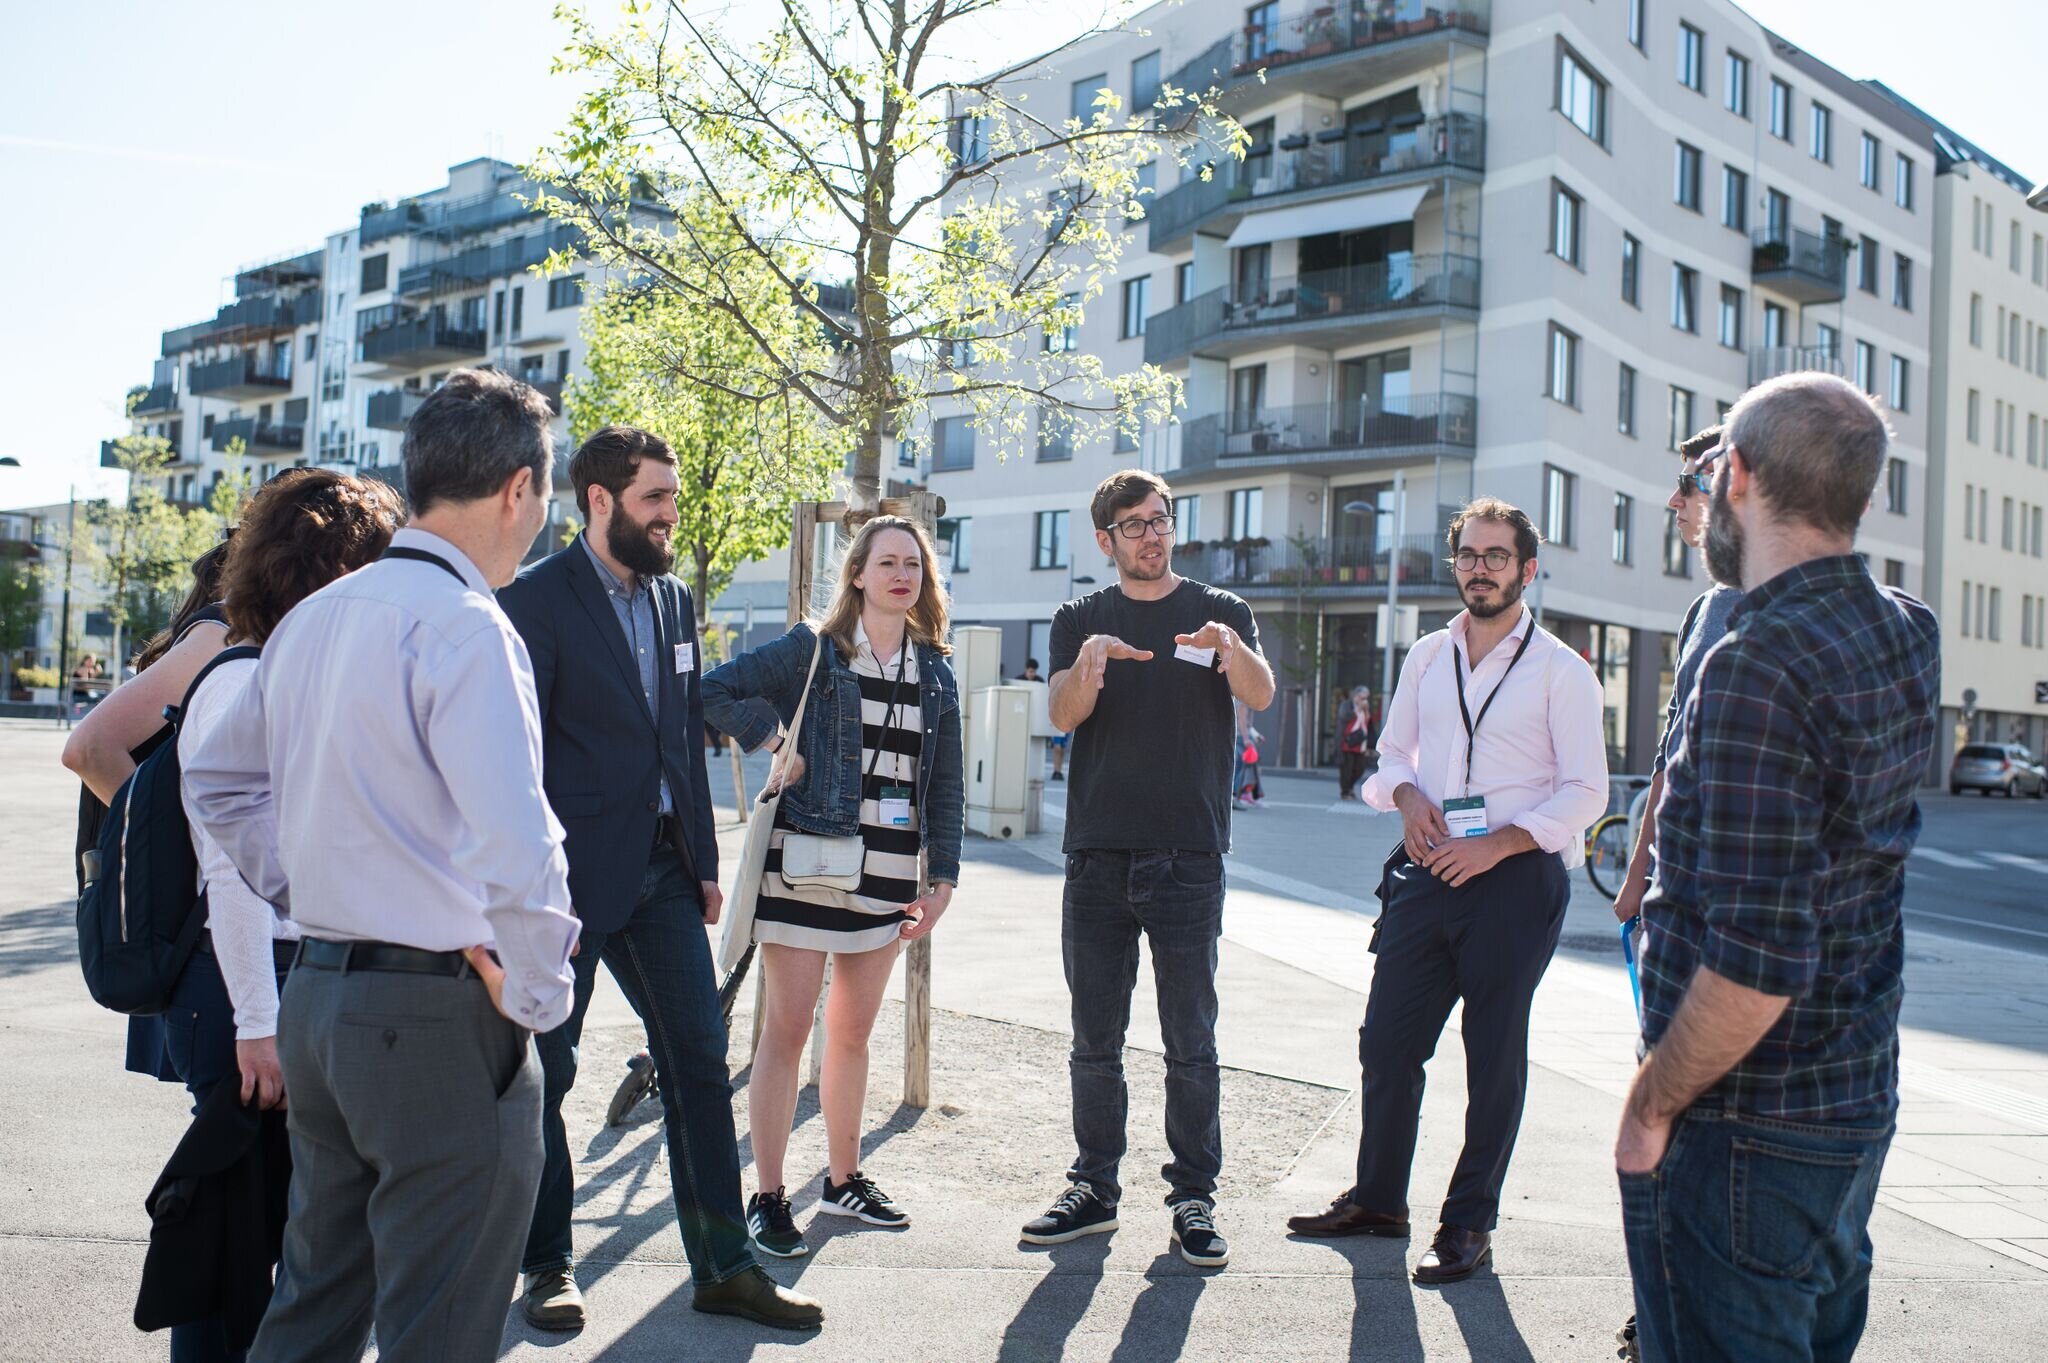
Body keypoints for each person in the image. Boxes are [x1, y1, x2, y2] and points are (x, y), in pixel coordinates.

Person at [183, 367, 582, 1363]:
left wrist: (306, 882)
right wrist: (537, 997)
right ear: (517, 491)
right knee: (436, 1329)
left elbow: (219, 783)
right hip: (434, 1014)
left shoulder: (316, 617)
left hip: (320, 993)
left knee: (313, 1307)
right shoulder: (468, 627)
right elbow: (518, 843)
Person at [1617, 373, 1939, 1361]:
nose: (1702, 490)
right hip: (1850, 1100)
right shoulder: (1904, 625)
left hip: (1744, 1125)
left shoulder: (1753, 658)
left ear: (1740, 477)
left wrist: (1649, 1102)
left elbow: (1758, 959)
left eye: (1709, 470)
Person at [498, 425, 819, 1333]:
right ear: (599, 501)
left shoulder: (677, 601)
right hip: (561, 884)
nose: (671, 515)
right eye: (655, 500)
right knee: (546, 1074)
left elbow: (681, 732)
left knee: (696, 1063)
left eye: (673, 498)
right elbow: (519, 751)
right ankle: (547, 1261)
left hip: (664, 874)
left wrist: (705, 864)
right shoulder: (536, 600)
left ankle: (724, 1264)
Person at [1288, 497, 1606, 1285]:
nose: (1480, 568)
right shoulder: (1428, 656)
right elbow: (1391, 756)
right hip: (1427, 868)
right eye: (1468, 554)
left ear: (1527, 570)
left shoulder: (1563, 670)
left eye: (1497, 556)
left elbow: (1586, 791)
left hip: (1515, 876)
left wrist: (1500, 841)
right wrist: (1404, 796)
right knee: (1387, 1040)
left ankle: (1468, 1221)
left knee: (1492, 1052)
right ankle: (1378, 1199)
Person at [160, 469, 403, 1362]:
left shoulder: (294, 675)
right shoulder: (243, 678)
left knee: (298, 1236)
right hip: (246, 994)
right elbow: (228, 875)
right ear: (330, 571)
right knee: (236, 1244)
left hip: (279, 985)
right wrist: (260, 1024)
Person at [1022, 469, 1274, 1269]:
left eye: (1160, 519)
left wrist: (1231, 652)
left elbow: (1262, 695)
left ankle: (1193, 1197)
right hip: (1095, 855)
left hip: (1189, 856)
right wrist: (1087, 669)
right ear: (1106, 540)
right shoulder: (1078, 618)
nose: (1150, 534)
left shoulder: (1221, 612)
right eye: (1133, 524)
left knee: (1189, 1040)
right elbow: (1061, 714)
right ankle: (1093, 1187)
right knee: (1095, 1040)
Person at [702, 515, 963, 1260]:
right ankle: (769, 1194)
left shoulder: (935, 670)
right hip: (806, 868)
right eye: (887, 562)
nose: (901, 574)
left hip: (885, 877)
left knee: (850, 1032)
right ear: (857, 574)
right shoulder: (813, 649)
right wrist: (774, 740)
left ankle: (844, 1179)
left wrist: (941, 878)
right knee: (784, 1033)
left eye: (913, 563)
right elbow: (715, 689)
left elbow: (944, 783)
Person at [1607, 423, 1741, 1360]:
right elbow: (1669, 764)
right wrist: (1636, 871)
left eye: (1691, 481)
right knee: (1666, 1133)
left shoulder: (1764, 615)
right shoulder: (1702, 614)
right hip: (1667, 924)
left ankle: (1687, 1315)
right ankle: (1658, 1307)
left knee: (1697, 1136)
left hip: (1731, 947)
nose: (1675, 502)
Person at [1336, 686, 1375, 800]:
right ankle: (1345, 791)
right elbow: (1344, 716)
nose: (1364, 700)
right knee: (1346, 770)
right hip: (1347, 742)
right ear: (1356, 695)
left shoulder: (1365, 707)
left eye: (1366, 698)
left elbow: (1368, 722)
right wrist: (1357, 708)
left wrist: (1366, 710)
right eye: (1362, 697)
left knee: (1360, 768)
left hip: (1361, 743)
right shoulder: (1346, 705)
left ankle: (1350, 787)